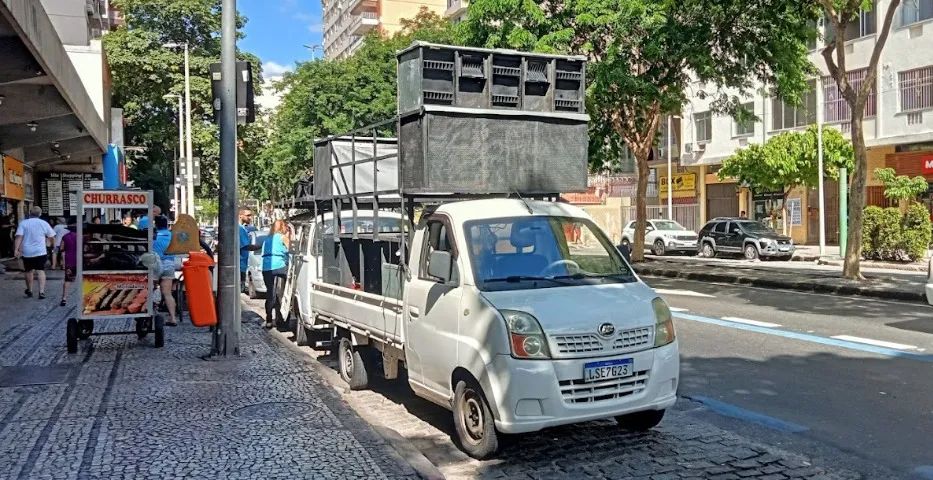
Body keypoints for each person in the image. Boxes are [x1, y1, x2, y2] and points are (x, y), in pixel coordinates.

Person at [14, 206, 56, 299]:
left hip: (27, 252)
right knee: (40, 270)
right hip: (40, 251)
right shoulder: (44, 223)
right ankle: (41, 292)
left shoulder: (23, 223)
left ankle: (30, 290)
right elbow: (52, 237)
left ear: (29, 213)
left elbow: (19, 237)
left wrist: (16, 249)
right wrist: (53, 246)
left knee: (28, 271)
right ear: (40, 214)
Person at [261, 220, 291, 328]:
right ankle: (282, 320)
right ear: (283, 227)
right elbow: (291, 250)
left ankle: (269, 319)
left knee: (270, 293)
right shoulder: (282, 237)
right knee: (283, 293)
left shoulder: (267, 239)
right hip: (279, 266)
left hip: (266, 268)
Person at [152, 215, 178, 326]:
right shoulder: (172, 236)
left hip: (155, 264)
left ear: (155, 224)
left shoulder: (153, 236)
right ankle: (173, 318)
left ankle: (150, 312)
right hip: (169, 264)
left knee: (149, 290)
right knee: (167, 293)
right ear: (167, 224)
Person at [239, 207, 261, 292]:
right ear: (240, 216)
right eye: (248, 215)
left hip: (242, 265)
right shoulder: (240, 229)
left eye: (251, 215)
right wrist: (262, 245)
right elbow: (246, 246)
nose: (250, 218)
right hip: (240, 266)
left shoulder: (243, 228)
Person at [59, 224, 77, 307]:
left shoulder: (65, 237)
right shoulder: (82, 237)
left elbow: (61, 249)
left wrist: (62, 261)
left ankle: (64, 299)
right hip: (81, 261)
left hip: (69, 261)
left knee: (67, 280)